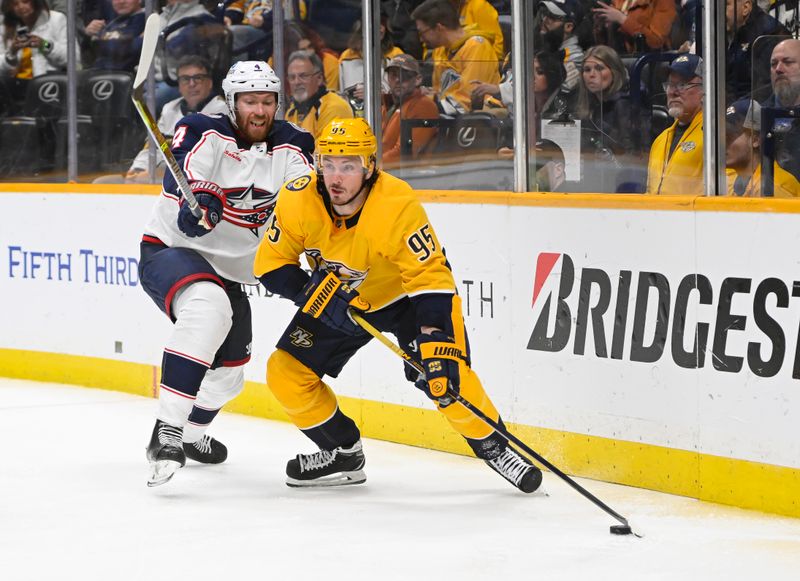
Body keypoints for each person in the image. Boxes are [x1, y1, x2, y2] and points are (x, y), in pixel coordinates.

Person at [252, 118, 543, 493]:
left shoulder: (395, 202)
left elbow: (430, 279)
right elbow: (270, 265)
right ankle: (343, 452)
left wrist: (433, 337)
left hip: (407, 299)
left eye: (349, 166)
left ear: (370, 166)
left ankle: (495, 447)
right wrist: (316, 294)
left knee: (443, 378)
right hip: (342, 300)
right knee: (285, 372)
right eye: (328, 164)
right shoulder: (297, 197)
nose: (336, 177)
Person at [138, 61, 315, 487]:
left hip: (232, 270)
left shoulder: (294, 145)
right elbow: (185, 171)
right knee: (208, 307)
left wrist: (314, 265)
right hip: (174, 250)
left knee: (231, 373)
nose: (259, 109)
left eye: (267, 101)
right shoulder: (202, 128)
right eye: (250, 100)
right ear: (232, 103)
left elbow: (306, 208)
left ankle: (193, 434)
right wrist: (198, 203)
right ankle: (167, 433)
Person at [125, 56, 227, 184]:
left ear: (209, 83)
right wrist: (138, 169)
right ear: (179, 85)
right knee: (105, 181)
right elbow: (153, 147)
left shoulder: (222, 111)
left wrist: (158, 174)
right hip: (159, 177)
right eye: (185, 79)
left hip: (197, 183)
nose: (191, 84)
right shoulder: (169, 109)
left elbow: (205, 162)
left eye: (198, 78)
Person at [573, 45, 643, 192]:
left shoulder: (625, 104)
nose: (592, 74)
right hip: (595, 178)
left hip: (624, 184)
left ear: (614, 72)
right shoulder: (589, 104)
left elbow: (632, 154)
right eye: (587, 70)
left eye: (599, 68)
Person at [411, 0, 500, 114]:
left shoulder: (477, 47)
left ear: (439, 28)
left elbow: (467, 100)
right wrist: (426, 94)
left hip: (476, 123)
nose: (421, 40)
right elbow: (440, 93)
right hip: (447, 120)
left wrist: (428, 105)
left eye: (422, 33)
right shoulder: (440, 51)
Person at [646, 54, 704, 196]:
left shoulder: (714, 136)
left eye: (682, 85)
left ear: (705, 89)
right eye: (670, 85)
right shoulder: (660, 140)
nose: (673, 92)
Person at [0, 0, 71, 114]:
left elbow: (73, 58)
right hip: (17, 84)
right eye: (15, 4)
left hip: (47, 82)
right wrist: (12, 53)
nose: (21, 7)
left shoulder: (56, 19)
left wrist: (45, 45)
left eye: (25, 1)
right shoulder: (5, 25)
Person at [725, 99, 800, 197]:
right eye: (721, 136)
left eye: (730, 136)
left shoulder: (774, 187)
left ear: (756, 140)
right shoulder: (732, 180)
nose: (723, 143)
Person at [725, 0, 788, 102]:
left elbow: (764, 90)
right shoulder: (724, 30)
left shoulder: (769, 34)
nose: (718, 13)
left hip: (750, 113)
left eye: (725, 5)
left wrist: (735, 110)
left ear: (745, 7)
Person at [381, 53, 439, 164]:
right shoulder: (387, 106)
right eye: (393, 75)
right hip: (385, 172)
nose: (398, 79)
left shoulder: (423, 105)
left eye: (405, 75)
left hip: (409, 176)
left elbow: (404, 154)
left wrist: (371, 168)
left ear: (418, 79)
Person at [284, 50, 354, 138]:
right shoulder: (292, 110)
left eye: (303, 76)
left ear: (319, 78)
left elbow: (324, 150)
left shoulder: (334, 107)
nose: (297, 82)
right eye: (292, 77)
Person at [591, 0, 676, 54]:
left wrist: (623, 20)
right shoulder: (618, 1)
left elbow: (656, 41)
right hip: (615, 57)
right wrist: (601, 25)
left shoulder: (664, 2)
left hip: (647, 62)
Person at [537, 1, 584, 97]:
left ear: (568, 26)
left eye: (552, 17)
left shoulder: (574, 57)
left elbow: (559, 97)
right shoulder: (544, 50)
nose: (545, 19)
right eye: (544, 13)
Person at [85, 0, 144, 72]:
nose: (121, 1)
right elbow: (87, 55)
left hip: (126, 78)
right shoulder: (110, 22)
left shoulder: (145, 20)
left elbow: (124, 51)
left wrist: (97, 41)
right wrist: (88, 35)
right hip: (99, 76)